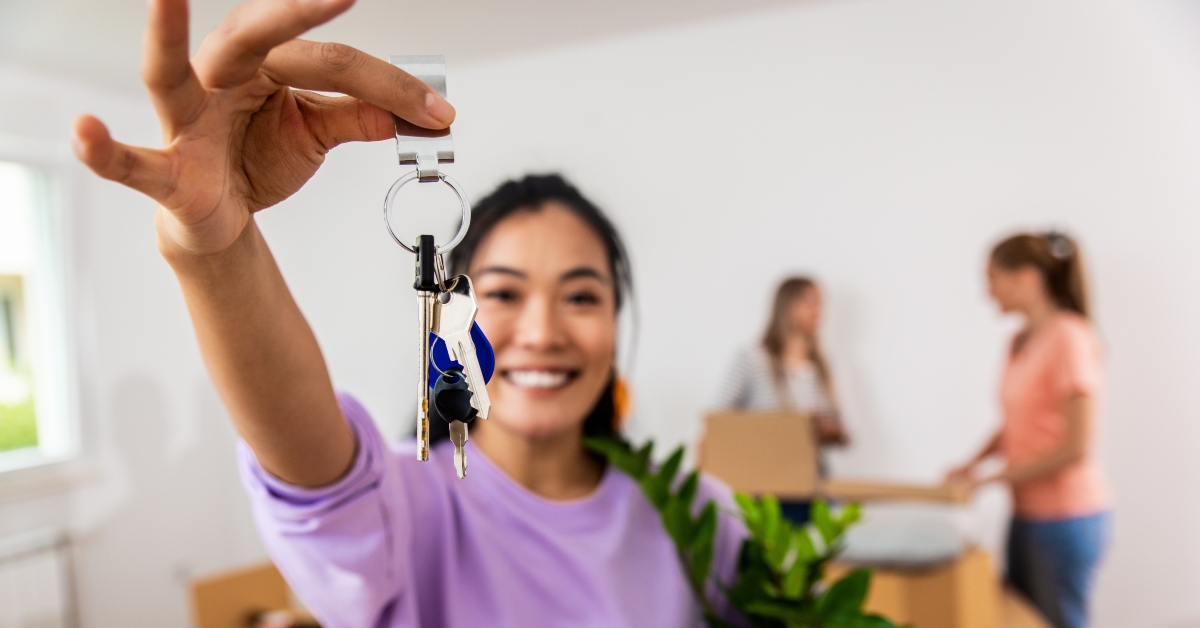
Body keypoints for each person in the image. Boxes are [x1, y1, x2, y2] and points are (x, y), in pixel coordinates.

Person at [70, 1, 745, 626]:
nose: (543, 333)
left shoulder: (697, 513)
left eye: (580, 296)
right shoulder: (402, 504)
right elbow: (315, 475)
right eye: (505, 294)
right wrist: (218, 249)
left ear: (617, 320)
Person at [946, 232, 1112, 628]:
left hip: (1067, 516)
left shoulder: (1070, 337)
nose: (987, 292)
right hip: (1026, 513)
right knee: (1018, 618)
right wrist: (973, 463)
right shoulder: (1018, 341)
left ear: (1026, 277)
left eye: (992, 278)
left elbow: (1076, 446)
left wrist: (993, 478)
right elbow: (1016, 423)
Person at [719, 277, 849, 523]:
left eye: (820, 305)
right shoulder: (753, 359)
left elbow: (839, 427)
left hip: (812, 482)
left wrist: (824, 428)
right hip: (765, 484)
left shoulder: (820, 368)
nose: (818, 312)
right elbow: (718, 421)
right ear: (788, 306)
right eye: (810, 303)